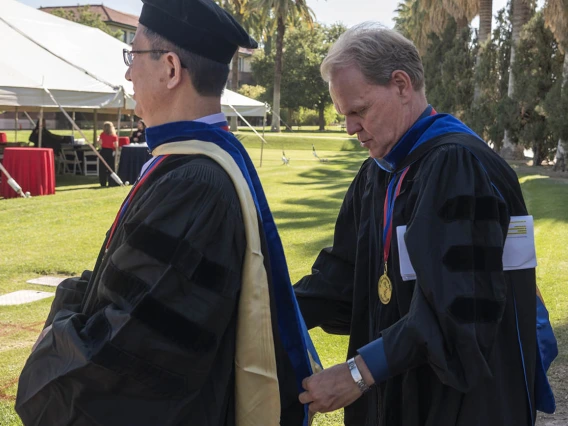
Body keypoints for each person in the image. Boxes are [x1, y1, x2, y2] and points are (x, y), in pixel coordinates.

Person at [15, 1, 319, 425]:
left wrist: (57, 336)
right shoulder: (194, 165)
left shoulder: (193, 184)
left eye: (133, 55)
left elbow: (136, 344)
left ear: (171, 69)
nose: (127, 74)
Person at [294, 22, 557, 426]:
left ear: (401, 84)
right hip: (398, 392)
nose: (349, 128)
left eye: (359, 110)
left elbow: (458, 309)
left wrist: (357, 373)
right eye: (344, 115)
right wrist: (274, 311)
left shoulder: (458, 165)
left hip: (461, 403)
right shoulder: (377, 175)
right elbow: (346, 282)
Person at [98, 121, 119, 187]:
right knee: (111, 168)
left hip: (103, 151)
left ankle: (103, 183)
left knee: (102, 168)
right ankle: (111, 183)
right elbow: (116, 145)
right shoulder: (114, 136)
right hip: (110, 152)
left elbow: (100, 143)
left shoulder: (102, 134)